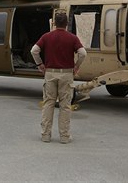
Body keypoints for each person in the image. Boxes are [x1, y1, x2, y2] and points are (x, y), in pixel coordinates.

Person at [30, 11, 87, 144]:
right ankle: (64, 136)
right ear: (67, 23)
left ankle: (45, 135)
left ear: (54, 23)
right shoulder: (72, 38)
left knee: (48, 103)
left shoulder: (46, 36)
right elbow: (83, 53)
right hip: (66, 74)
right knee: (65, 105)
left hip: (50, 73)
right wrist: (76, 66)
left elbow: (34, 50)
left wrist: (40, 64)